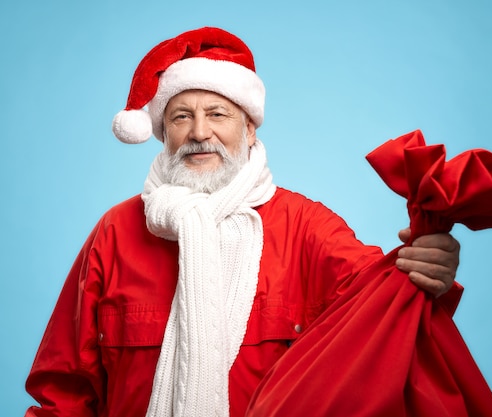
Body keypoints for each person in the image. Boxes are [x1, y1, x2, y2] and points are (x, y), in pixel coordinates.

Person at [24, 27, 461, 417]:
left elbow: (384, 307)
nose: (199, 133)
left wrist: (428, 270)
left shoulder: (306, 227)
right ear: (162, 132)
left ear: (250, 129)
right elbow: (66, 390)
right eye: (181, 116)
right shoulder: (117, 231)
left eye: (217, 114)